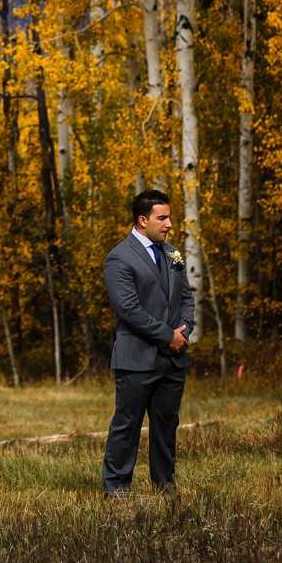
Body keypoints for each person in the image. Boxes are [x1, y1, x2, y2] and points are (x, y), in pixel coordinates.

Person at [101, 189, 194, 497]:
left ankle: (165, 487)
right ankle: (116, 489)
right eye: (162, 218)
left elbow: (186, 299)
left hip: (172, 361)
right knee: (126, 427)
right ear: (143, 220)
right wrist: (168, 336)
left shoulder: (174, 254)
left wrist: (183, 332)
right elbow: (128, 309)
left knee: (167, 428)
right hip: (136, 359)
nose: (169, 223)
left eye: (169, 217)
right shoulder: (119, 257)